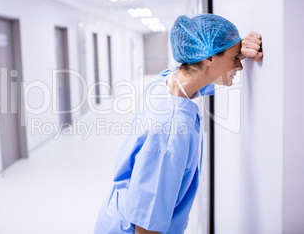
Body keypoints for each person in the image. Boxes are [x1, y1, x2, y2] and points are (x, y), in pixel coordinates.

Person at [94, 14, 263, 234]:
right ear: (208, 58)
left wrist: (233, 51)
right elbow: (146, 226)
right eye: (235, 59)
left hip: (114, 213)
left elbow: (198, 78)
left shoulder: (163, 84)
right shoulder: (172, 133)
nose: (240, 66)